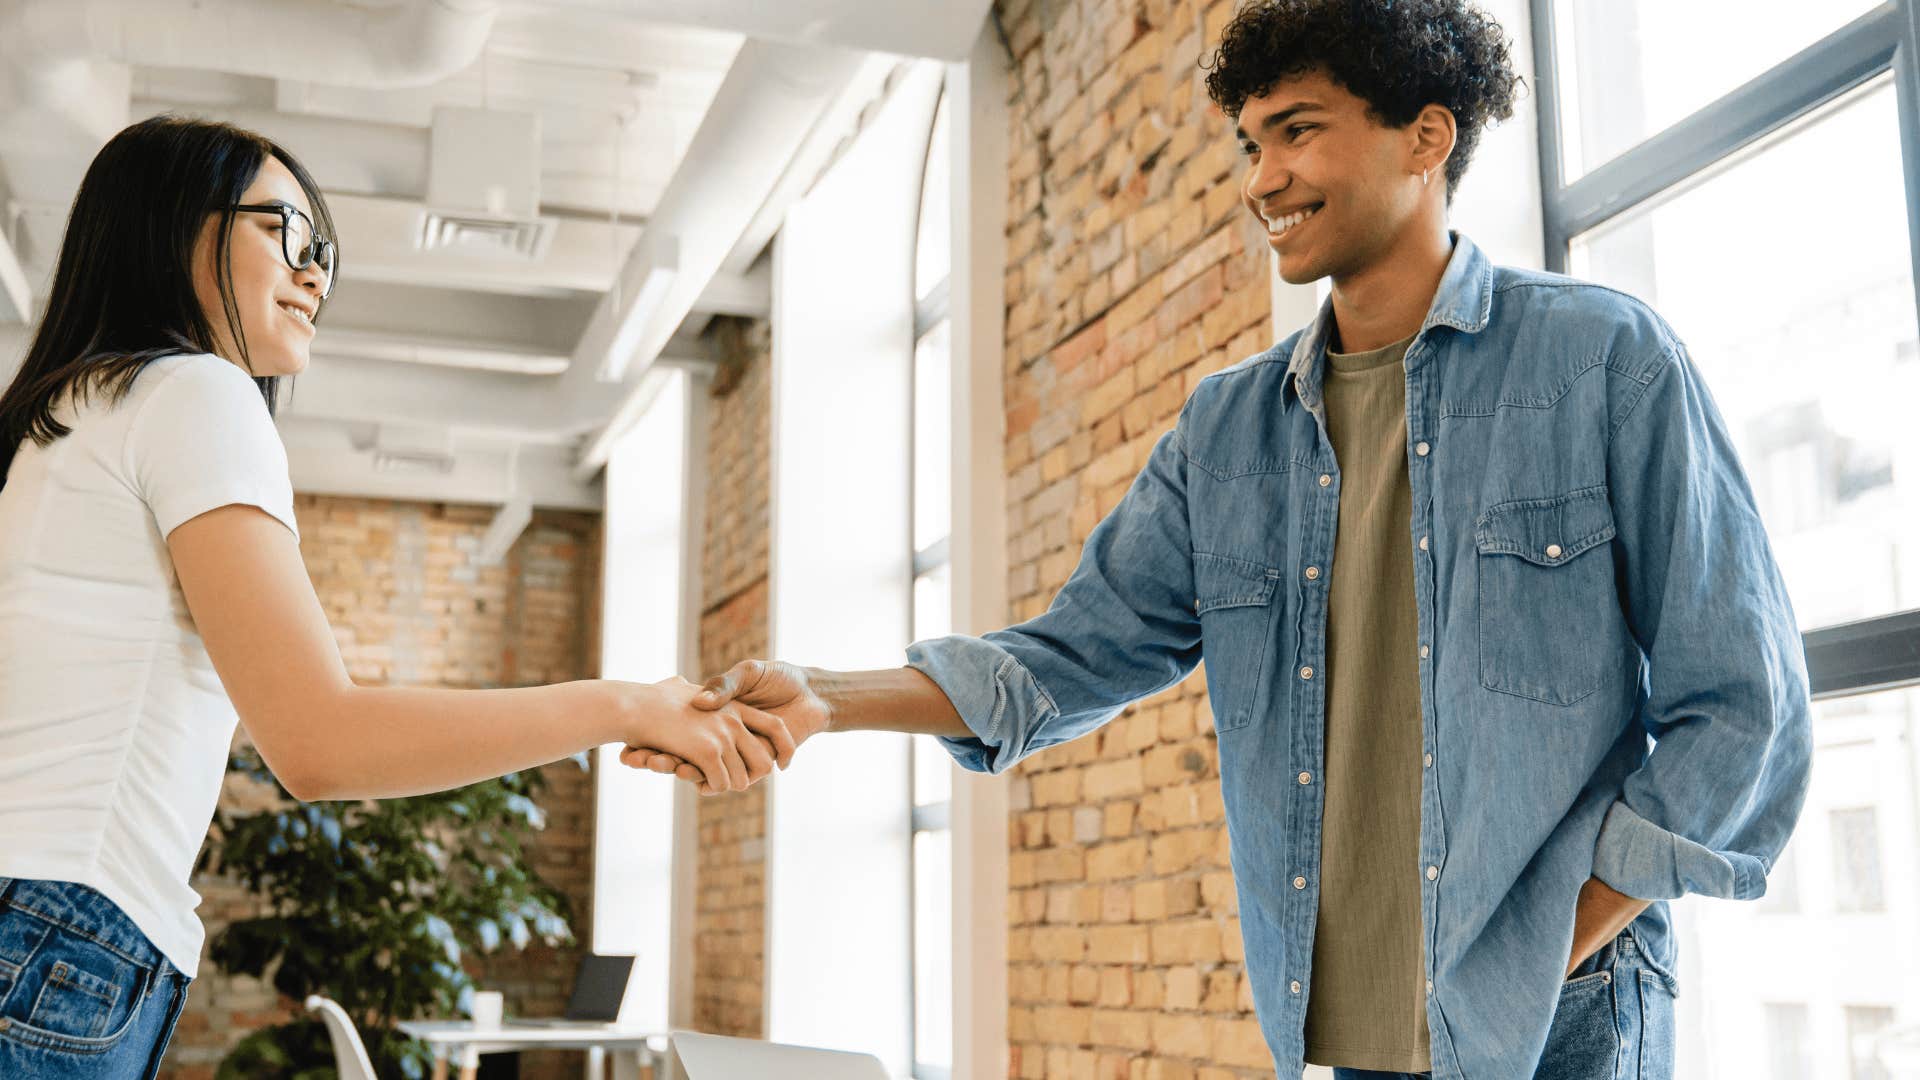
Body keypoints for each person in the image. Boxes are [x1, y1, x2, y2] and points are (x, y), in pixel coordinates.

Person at [626, 1, 1813, 1077]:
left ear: (1426, 136)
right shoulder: (1227, 431)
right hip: (1343, 1028)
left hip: (1562, 1022)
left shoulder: (1605, 361)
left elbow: (1743, 702)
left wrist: (1559, 928)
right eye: (1251, 144)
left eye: (1297, 131)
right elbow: (1070, 655)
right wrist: (827, 698)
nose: (1264, 177)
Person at [0, 116, 789, 1078]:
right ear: (176, 228)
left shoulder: (67, 419)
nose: (316, 274)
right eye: (284, 232)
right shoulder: (194, 394)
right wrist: (627, 705)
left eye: (322, 249)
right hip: (60, 927)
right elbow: (320, 743)